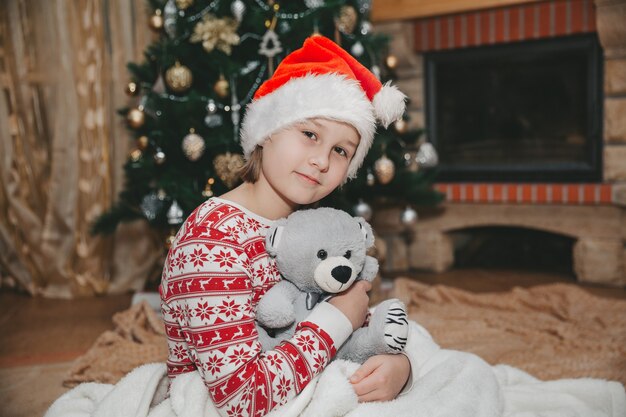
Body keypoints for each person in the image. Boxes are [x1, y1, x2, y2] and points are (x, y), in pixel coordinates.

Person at [159, 35, 413, 417]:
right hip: (224, 405)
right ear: (268, 130)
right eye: (310, 134)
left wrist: (398, 368)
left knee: (433, 355)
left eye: (340, 150)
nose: (321, 161)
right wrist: (336, 319)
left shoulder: (310, 227)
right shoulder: (212, 241)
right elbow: (240, 399)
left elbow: (355, 316)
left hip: (306, 375)